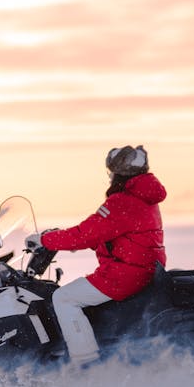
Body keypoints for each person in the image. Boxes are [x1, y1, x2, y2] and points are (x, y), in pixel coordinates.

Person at [25, 145, 166, 366]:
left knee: (64, 298)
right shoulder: (145, 198)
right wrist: (76, 242)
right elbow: (120, 236)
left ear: (117, 174)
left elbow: (85, 234)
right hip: (143, 269)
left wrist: (44, 240)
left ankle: (85, 363)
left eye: (110, 173)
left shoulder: (122, 201)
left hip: (125, 275)